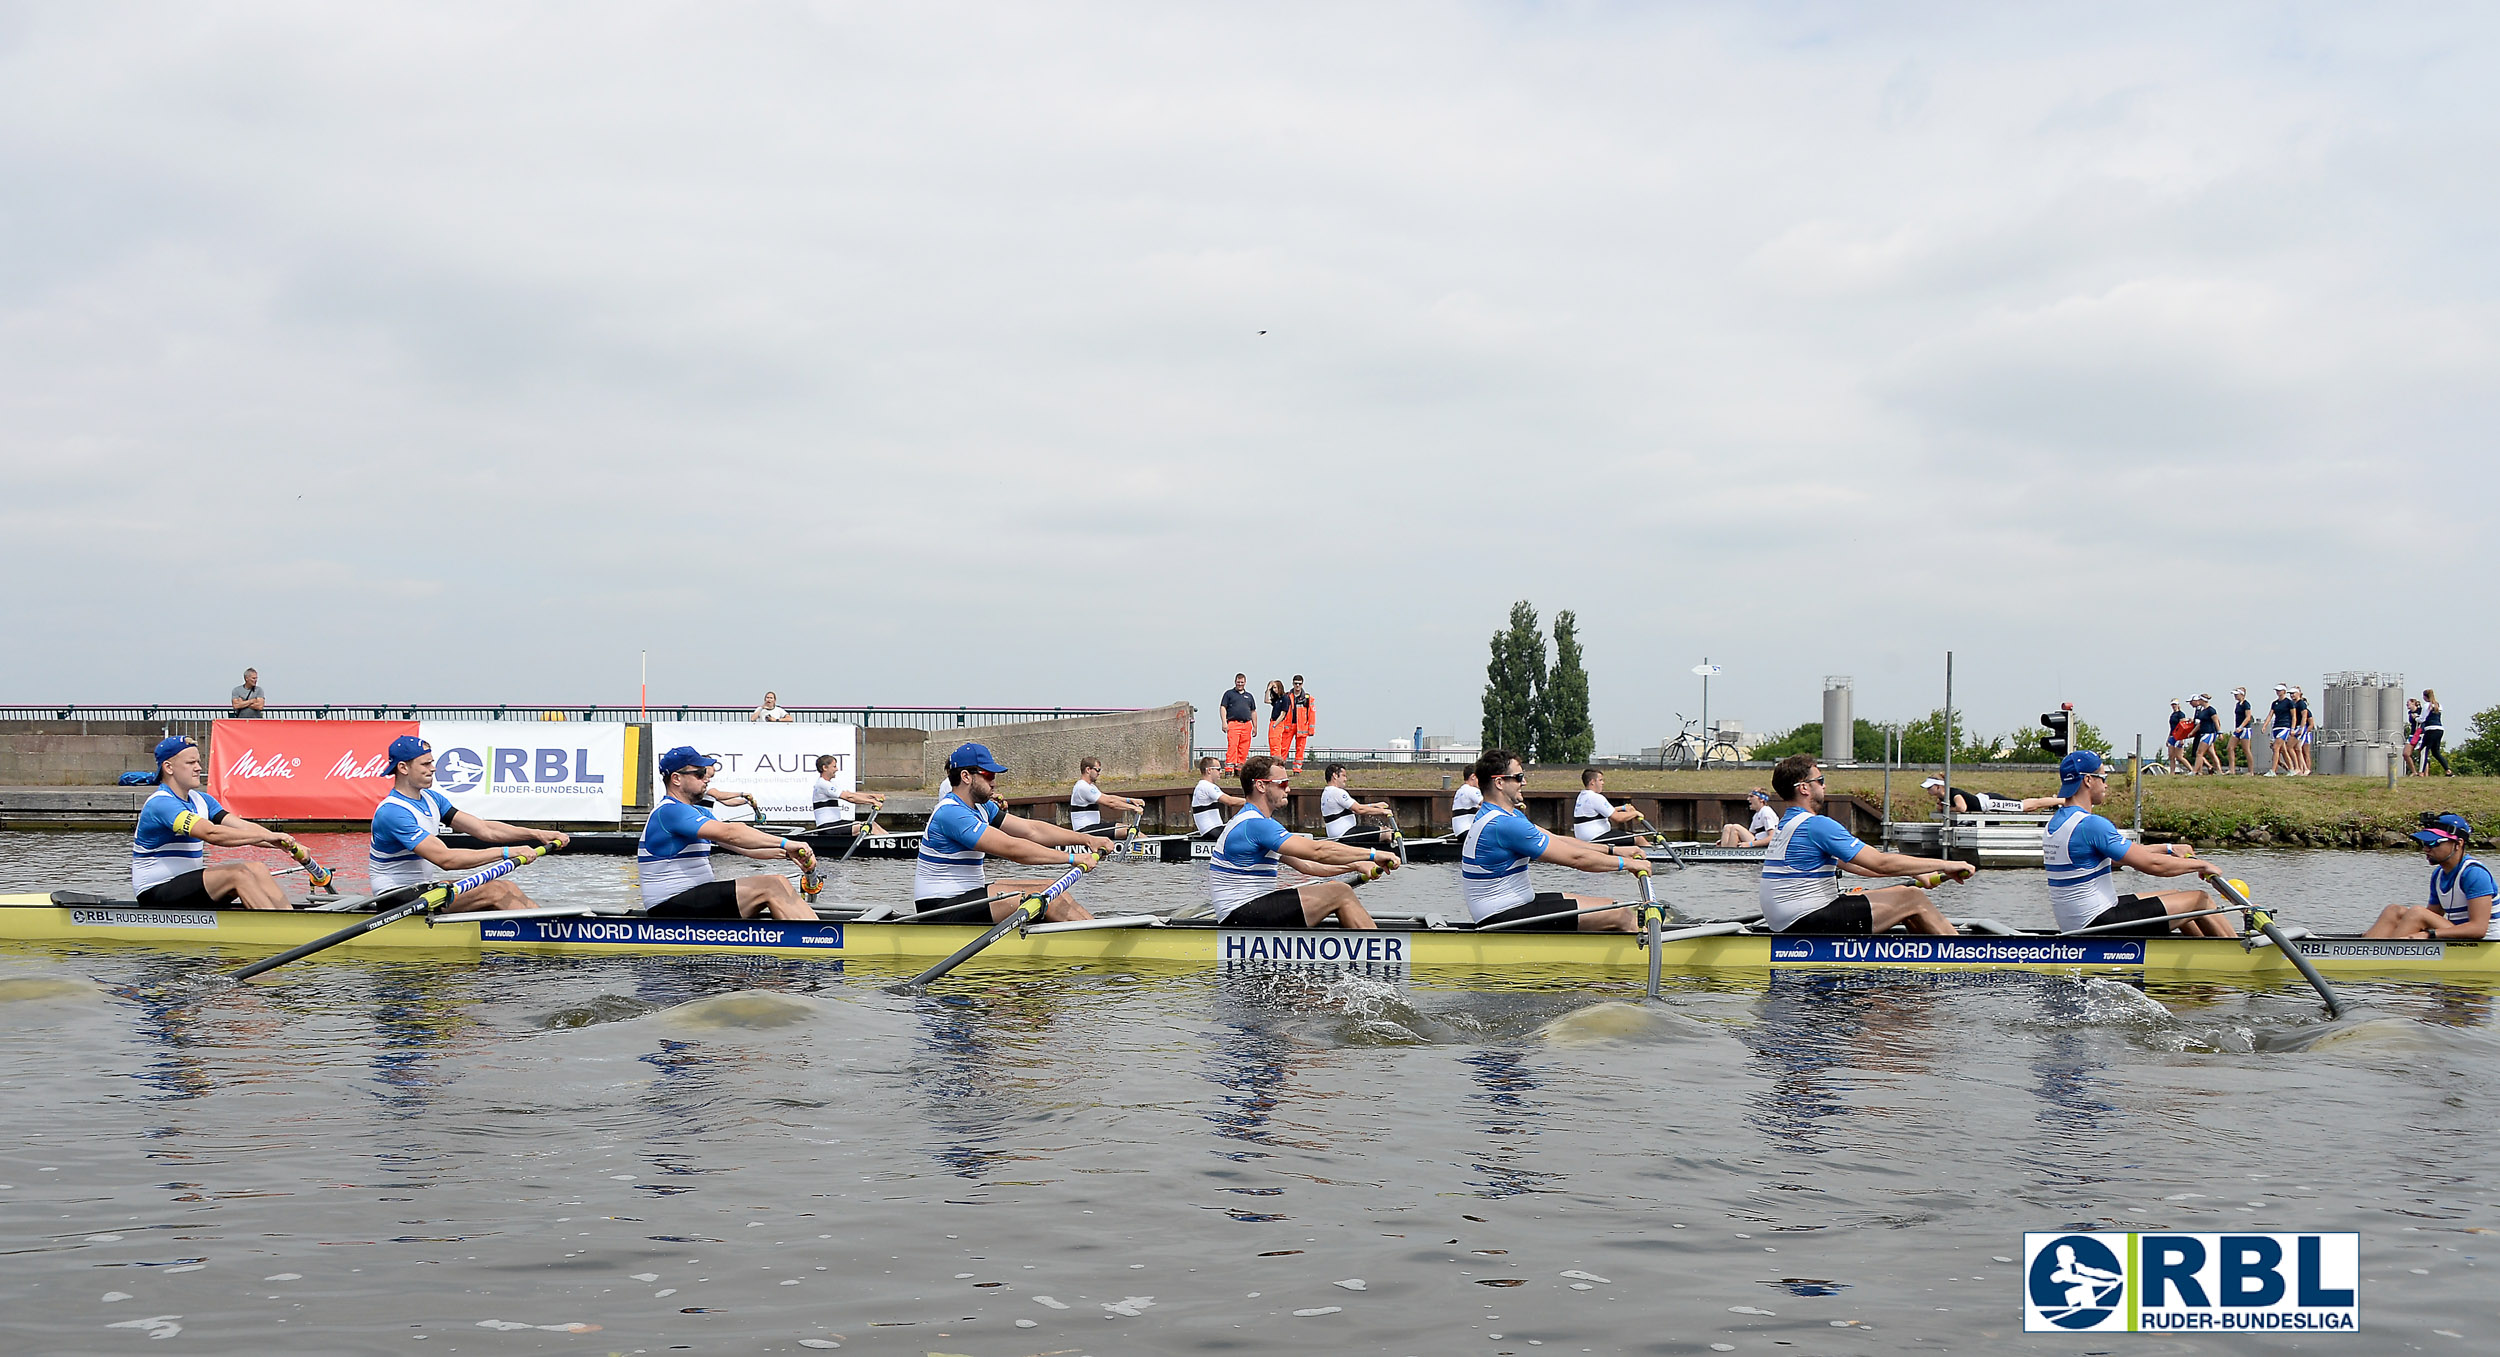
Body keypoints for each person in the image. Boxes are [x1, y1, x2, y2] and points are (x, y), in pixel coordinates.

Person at [1761, 754, 1970, 935]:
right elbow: (1880, 863)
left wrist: (1917, 874)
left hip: (1786, 920)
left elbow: (1862, 867)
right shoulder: (1817, 825)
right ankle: (1963, 955)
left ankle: (1925, 961)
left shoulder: (1786, 825)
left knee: (1903, 903)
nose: (1824, 785)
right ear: (1804, 788)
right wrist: (1945, 865)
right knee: (1912, 897)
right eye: (1820, 780)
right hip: (1807, 918)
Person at [2042, 751, 2237, 937]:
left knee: (2176, 896)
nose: (2106, 785)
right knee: (2199, 899)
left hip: (2077, 921)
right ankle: (2238, 955)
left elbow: (2126, 855)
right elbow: (2152, 865)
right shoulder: (2091, 825)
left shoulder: (2057, 822)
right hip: (2097, 923)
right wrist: (2201, 865)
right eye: (2103, 777)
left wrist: (2169, 848)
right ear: (2088, 780)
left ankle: (2202, 951)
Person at [914, 742, 1110, 923]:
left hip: (968, 897)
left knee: (1053, 888)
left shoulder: (983, 808)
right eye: (988, 775)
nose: (994, 783)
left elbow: (1032, 830)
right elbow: (1013, 849)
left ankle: (1102, 931)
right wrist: (1072, 858)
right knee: (1045, 895)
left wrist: (1088, 839)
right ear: (966, 776)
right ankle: (1100, 944)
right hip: (939, 908)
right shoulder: (951, 812)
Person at [367, 736, 566, 909]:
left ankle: (544, 929)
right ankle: (542, 942)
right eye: (425, 764)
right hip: (395, 897)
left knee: (508, 887)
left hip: (422, 889)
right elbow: (446, 859)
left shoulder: (432, 799)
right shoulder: (392, 813)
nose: (433, 768)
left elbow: (485, 829)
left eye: (432, 762)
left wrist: (537, 834)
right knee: (495, 890)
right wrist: (508, 852)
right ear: (403, 768)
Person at [1458, 749, 1645, 932]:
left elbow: (1557, 840)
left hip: (1517, 904)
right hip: (1501, 915)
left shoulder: (1506, 814)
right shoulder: (1504, 824)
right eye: (1518, 777)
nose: (1524, 782)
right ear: (1499, 782)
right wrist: (1627, 864)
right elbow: (1576, 859)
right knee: (1621, 913)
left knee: (1612, 904)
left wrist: (1614, 850)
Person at [1207, 754, 1390, 928]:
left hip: (1248, 909)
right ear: (1261, 786)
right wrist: (1373, 854)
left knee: (1335, 888)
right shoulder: (1255, 825)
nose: (1288, 789)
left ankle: (1363, 944)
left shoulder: (1260, 823)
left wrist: (1356, 865)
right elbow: (1318, 851)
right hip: (1240, 914)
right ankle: (1380, 952)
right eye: (1282, 783)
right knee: (1340, 892)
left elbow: (1308, 866)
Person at [638, 746, 819, 920]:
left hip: (695, 898)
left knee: (776, 885)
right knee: (773, 885)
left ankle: (806, 933)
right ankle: (818, 940)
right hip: (668, 906)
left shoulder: (700, 813)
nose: (706, 779)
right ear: (676, 779)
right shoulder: (669, 811)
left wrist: (790, 854)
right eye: (700, 774)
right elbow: (732, 833)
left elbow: (745, 848)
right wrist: (785, 842)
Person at [128, 735, 300, 909]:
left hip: (187, 888)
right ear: (168, 767)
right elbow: (212, 833)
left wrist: (290, 845)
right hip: (155, 892)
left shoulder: (202, 800)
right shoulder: (161, 804)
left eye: (198, 762)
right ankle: (274, 928)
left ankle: (291, 921)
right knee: (238, 874)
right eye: (191, 763)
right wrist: (267, 837)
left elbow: (243, 826)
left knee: (257, 868)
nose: (198, 768)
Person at [2363, 813, 2494, 939]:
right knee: (2393, 911)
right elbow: (2430, 918)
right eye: (2424, 843)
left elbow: (2478, 929)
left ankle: (2387, 956)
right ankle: (2366, 951)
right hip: (2457, 936)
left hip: (2486, 943)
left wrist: (2430, 934)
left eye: (2433, 843)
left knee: (2417, 913)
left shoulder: (2474, 874)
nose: (2426, 849)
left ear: (2458, 844)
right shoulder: (2438, 875)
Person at [809, 753, 886, 846]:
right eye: (834, 766)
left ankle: (892, 840)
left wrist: (873, 796)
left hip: (836, 824)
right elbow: (849, 798)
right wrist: (872, 802)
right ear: (825, 768)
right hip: (828, 828)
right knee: (870, 826)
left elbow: (851, 794)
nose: (836, 769)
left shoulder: (830, 783)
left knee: (872, 824)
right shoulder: (822, 784)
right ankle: (893, 845)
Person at [1318, 763, 1395, 847]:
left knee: (1383, 832)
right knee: (1387, 833)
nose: (1346, 779)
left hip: (1340, 835)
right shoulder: (1337, 792)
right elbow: (1358, 810)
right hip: (1345, 835)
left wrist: (1375, 805)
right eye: (1343, 776)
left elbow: (1357, 807)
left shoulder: (1327, 792)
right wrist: (1382, 811)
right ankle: (1395, 853)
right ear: (1335, 776)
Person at [1068, 756, 1148, 832]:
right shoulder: (1083, 787)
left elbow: (1109, 797)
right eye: (1097, 770)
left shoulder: (1090, 786)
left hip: (1093, 828)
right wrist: (1133, 808)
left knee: (1130, 829)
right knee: (1129, 830)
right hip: (1085, 831)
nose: (1099, 773)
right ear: (1088, 769)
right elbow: (1110, 803)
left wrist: (1130, 800)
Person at [1572, 768, 1645, 841]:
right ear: (1592, 782)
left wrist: (1622, 808)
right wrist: (1635, 813)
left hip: (1586, 837)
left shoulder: (1582, 796)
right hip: (1597, 837)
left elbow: (1603, 811)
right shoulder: (1595, 797)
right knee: (1639, 839)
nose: (1603, 783)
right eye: (1600, 780)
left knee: (1625, 835)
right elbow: (1618, 818)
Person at [1920, 778, 2058, 814]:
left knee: (2027, 806)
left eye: (1929, 788)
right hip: (1985, 801)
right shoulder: (1942, 797)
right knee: (2026, 805)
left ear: (1938, 787)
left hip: (1990, 803)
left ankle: (2060, 800)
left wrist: (1946, 809)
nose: (1928, 791)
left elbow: (1962, 808)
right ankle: (2055, 800)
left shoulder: (1953, 793)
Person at [1191, 756, 1246, 837]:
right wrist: (1250, 802)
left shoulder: (1202, 786)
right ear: (1209, 770)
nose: (1221, 772)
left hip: (1212, 830)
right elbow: (1230, 801)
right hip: (1212, 831)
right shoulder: (1207, 786)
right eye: (1218, 769)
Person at [1219, 674, 1258, 771]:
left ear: (1245, 683)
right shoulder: (1229, 694)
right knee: (1232, 746)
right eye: (1238, 682)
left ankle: (1240, 769)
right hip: (1233, 723)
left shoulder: (1249, 696)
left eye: (1242, 682)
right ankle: (1229, 769)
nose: (1240, 684)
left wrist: (1255, 726)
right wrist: (1224, 722)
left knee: (1244, 748)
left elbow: (1253, 711)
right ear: (1235, 682)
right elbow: (1223, 707)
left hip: (1246, 724)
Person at [1282, 676, 1316, 769]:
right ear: (1292, 683)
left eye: (1299, 683)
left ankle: (1297, 769)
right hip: (1288, 726)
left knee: (1300, 749)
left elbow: (1312, 714)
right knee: (1283, 748)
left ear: (1302, 684)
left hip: (1302, 727)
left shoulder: (1308, 698)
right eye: (1296, 683)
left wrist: (1311, 729)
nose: (1297, 685)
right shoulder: (1287, 696)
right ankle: (1280, 768)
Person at [2265, 683, 2294, 777]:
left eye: (2279, 690)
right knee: (2283, 750)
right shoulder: (2275, 703)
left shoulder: (2289, 702)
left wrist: (2292, 728)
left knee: (2276, 747)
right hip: (2276, 727)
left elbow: (2293, 716)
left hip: (2284, 727)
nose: (2278, 692)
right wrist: (2265, 725)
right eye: (2277, 690)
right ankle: (2291, 769)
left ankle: (2273, 770)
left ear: (2284, 691)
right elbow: (2270, 715)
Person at [2190, 694, 2223, 775]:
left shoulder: (2211, 710)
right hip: (2203, 733)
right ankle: (2219, 771)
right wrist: (2192, 732)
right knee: (2211, 754)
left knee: (2199, 753)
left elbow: (2216, 721)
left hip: (2209, 733)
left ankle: (2194, 771)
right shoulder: (2203, 711)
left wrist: (2220, 733)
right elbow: (2200, 723)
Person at [2422, 689, 2451, 776]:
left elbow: (2423, 718)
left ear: (2425, 696)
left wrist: (2415, 718)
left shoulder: (2427, 705)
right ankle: (2448, 770)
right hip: (2440, 729)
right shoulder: (2438, 705)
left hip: (2431, 729)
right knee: (2435, 752)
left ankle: (2421, 772)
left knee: (2423, 751)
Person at [2228, 687, 2256, 775]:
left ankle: (2251, 771)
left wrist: (2241, 726)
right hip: (2237, 729)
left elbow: (2248, 717)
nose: (2235, 696)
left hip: (2245, 729)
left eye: (2237, 694)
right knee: (2230, 747)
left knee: (2246, 749)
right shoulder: (2238, 704)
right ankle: (2232, 769)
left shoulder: (2246, 704)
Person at [1449, 768, 1483, 838]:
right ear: (1473, 776)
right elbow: (1488, 804)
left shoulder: (1461, 790)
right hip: (1467, 831)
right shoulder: (1471, 790)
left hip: (1460, 832)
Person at [2163, 700, 2194, 774]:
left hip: (2179, 736)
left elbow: (2183, 727)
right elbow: (2171, 728)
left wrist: (2182, 738)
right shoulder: (2172, 715)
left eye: (2175, 704)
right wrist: (2168, 738)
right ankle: (2172, 772)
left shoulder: (2181, 714)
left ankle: (2192, 770)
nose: (2173, 706)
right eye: (2172, 704)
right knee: (2171, 756)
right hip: (2172, 736)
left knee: (2179, 756)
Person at [1264, 679, 1292, 761]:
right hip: (1273, 722)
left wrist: (1275, 724)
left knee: (1276, 743)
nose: (1274, 690)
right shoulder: (1276, 699)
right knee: (1272, 743)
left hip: (1277, 723)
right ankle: (1274, 760)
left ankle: (1277, 762)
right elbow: (1266, 700)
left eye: (1275, 687)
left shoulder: (1285, 698)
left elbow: (1283, 714)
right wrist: (1268, 689)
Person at [2290, 685, 2315, 775]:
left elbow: (2311, 723)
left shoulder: (2303, 707)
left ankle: (2306, 769)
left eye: (2294, 693)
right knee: (2297, 749)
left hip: (2304, 731)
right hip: (2297, 729)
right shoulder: (2293, 705)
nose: (2292, 695)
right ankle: (2301, 768)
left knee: (2305, 751)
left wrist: (2303, 730)